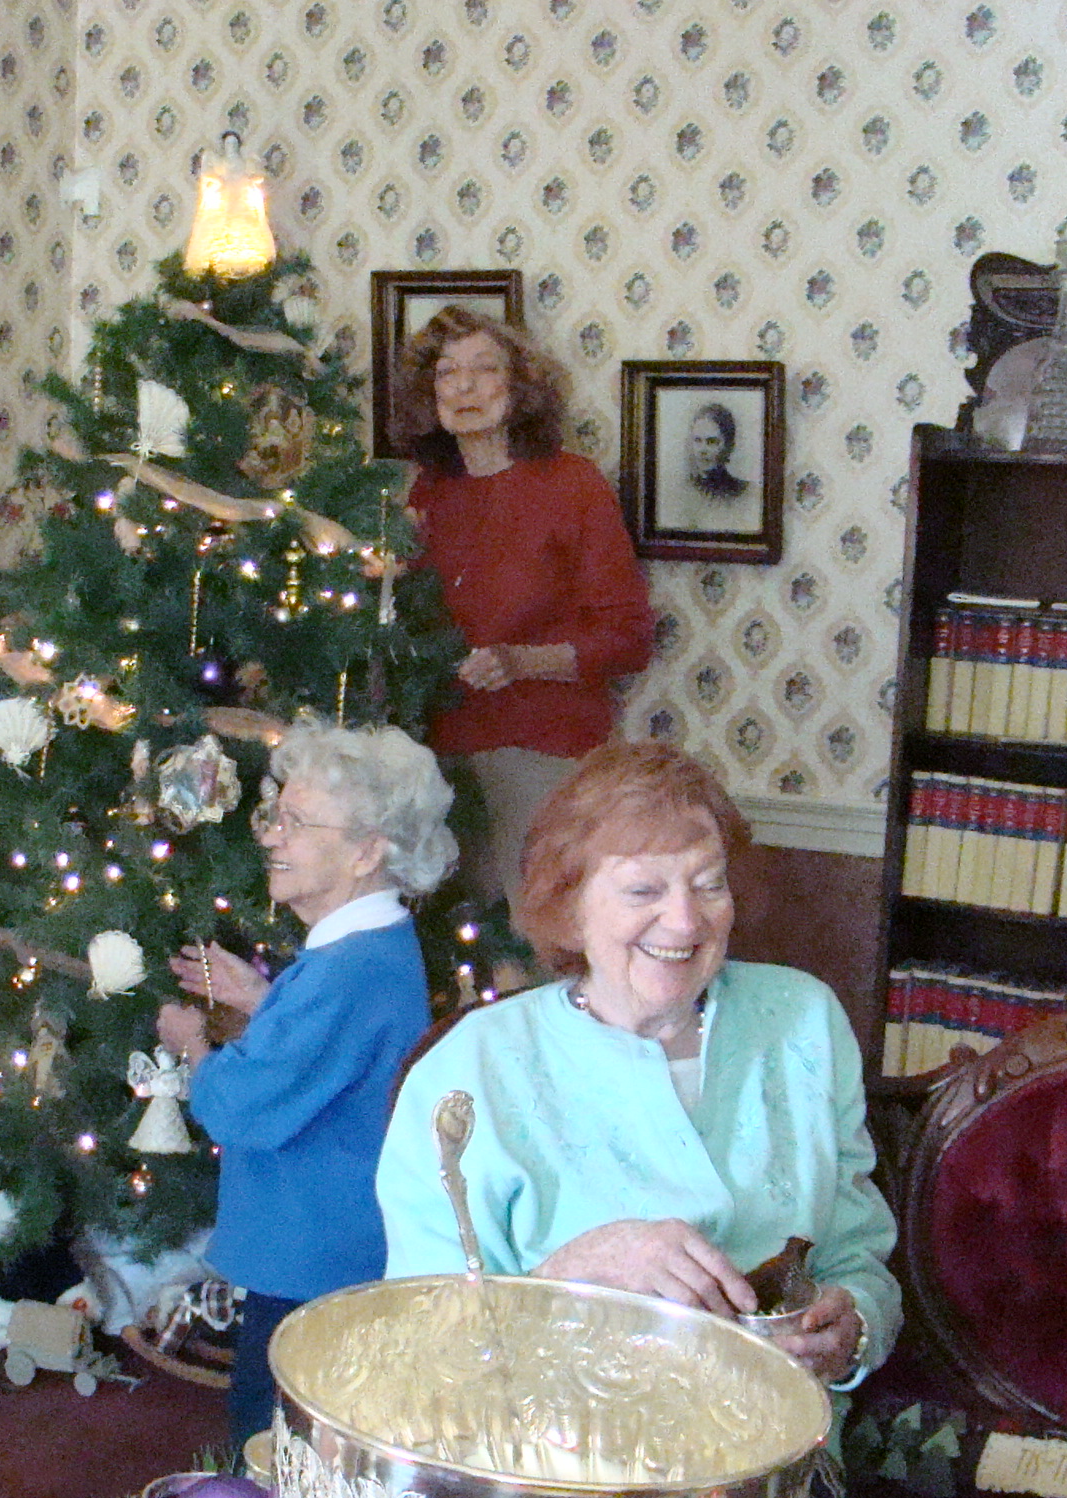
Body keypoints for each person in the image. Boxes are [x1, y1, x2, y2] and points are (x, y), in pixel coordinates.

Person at [375, 740, 899, 1391]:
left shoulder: (803, 1021)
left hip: (771, 1461)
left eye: (709, 885)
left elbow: (859, 1256)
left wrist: (854, 1330)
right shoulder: (469, 1071)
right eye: (643, 889)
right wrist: (574, 1273)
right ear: (571, 908)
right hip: (556, 1464)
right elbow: (423, 1344)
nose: (683, 920)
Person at [156, 722, 458, 1449]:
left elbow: (241, 1108)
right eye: (274, 817)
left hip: (314, 1261)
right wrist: (265, 1000)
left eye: (295, 823)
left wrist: (194, 1044)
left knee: (272, 1447)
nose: (272, 839)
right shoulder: (373, 948)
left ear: (367, 850)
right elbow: (338, 1056)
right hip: (334, 1249)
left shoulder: (344, 970)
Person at [395, 306, 656, 903]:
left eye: (485, 371)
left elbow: (628, 636)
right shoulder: (428, 493)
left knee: (534, 941)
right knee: (458, 950)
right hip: (439, 753)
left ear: (518, 390)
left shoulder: (572, 485)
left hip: (543, 751)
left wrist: (520, 661)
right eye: (445, 374)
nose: (463, 388)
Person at [684, 400, 749, 502]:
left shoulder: (743, 492)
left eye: (711, 442)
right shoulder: (681, 489)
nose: (703, 450)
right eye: (697, 440)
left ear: (728, 445)